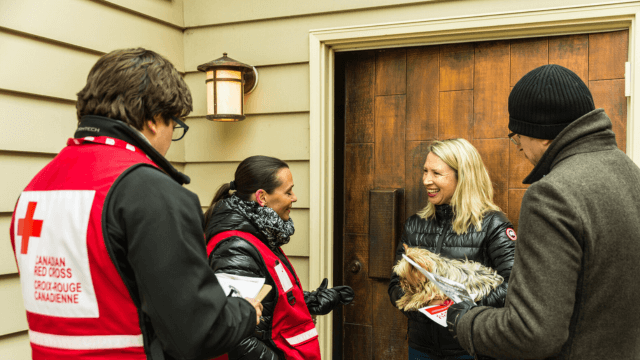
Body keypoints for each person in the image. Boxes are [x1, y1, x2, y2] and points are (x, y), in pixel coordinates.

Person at [9, 48, 261, 360]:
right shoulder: (151, 192)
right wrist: (244, 310)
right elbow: (197, 333)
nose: (171, 140)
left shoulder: (36, 189)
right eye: (175, 126)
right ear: (155, 119)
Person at [447, 64, 640, 359]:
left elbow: (531, 333)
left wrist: (466, 321)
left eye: (518, 136)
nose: (520, 147)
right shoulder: (631, 173)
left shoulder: (551, 195)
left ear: (543, 134)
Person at [204, 155, 354, 360]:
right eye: (288, 191)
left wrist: (311, 301)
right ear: (262, 197)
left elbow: (265, 302)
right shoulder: (235, 247)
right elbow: (235, 334)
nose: (294, 198)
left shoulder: (259, 234)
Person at [388, 138, 516, 360]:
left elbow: (514, 285)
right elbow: (395, 285)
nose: (426, 180)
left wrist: (459, 312)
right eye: (425, 171)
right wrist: (422, 307)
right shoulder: (415, 224)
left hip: (472, 349)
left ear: (463, 177)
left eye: (436, 174)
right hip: (422, 350)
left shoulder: (493, 225)